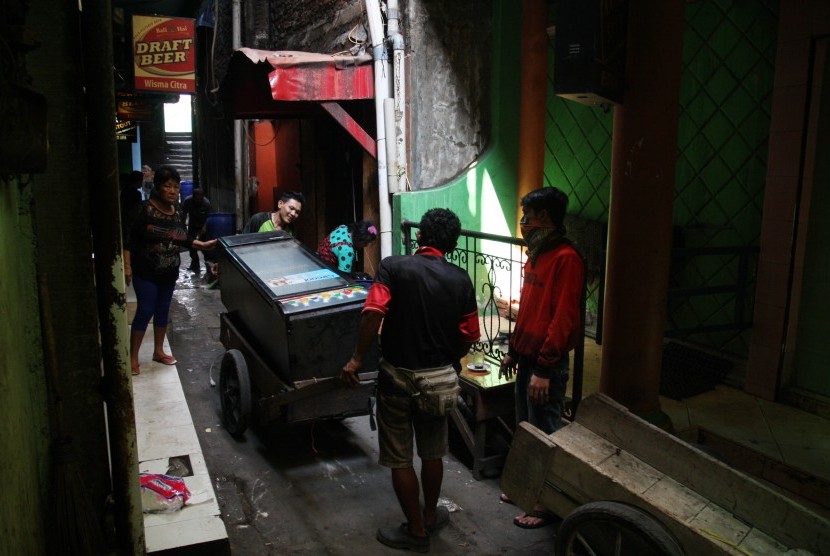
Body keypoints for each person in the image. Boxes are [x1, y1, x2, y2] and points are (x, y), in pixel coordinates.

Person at [341, 208, 480, 552]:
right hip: (439, 381)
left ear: (420, 237)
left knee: (400, 458)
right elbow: (470, 335)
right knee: (433, 453)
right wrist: (450, 359)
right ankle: (430, 517)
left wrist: (358, 357)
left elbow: (373, 312)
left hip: (397, 379)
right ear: (451, 242)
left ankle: (416, 531)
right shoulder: (461, 279)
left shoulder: (393, 267)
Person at [498, 186, 585, 529]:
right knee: (526, 428)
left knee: (546, 432)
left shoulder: (566, 258)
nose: (524, 223)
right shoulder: (537, 254)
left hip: (545, 366)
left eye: (528, 217)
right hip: (528, 359)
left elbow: (563, 319)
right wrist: (515, 349)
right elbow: (530, 309)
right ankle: (526, 488)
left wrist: (546, 368)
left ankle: (544, 503)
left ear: (545, 218)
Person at [124, 165, 217, 376]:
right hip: (145, 271)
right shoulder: (143, 209)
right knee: (146, 309)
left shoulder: (178, 212)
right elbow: (128, 238)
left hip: (169, 270)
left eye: (175, 186)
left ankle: (159, 351)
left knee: (163, 309)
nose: (173, 191)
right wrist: (127, 266)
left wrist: (201, 245)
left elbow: (181, 238)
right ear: (157, 187)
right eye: (167, 186)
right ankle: (132, 358)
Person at [181, 187, 212, 273]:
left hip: (203, 224)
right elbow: (184, 214)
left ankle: (208, 265)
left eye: (200, 199)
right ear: (193, 196)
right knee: (191, 245)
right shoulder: (188, 201)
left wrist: (204, 227)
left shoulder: (206, 203)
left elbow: (209, 217)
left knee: (205, 246)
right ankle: (195, 264)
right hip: (192, 224)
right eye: (196, 198)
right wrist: (183, 227)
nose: (198, 200)